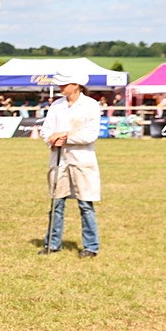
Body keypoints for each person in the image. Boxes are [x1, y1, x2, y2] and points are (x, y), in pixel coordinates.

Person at [39, 72, 101, 258]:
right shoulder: (57, 106)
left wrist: (64, 137)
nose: (60, 88)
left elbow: (90, 134)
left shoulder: (91, 105)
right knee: (57, 202)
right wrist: (51, 139)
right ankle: (52, 242)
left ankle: (91, 245)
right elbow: (46, 130)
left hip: (81, 160)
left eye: (64, 84)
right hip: (58, 159)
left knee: (85, 204)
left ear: (76, 85)